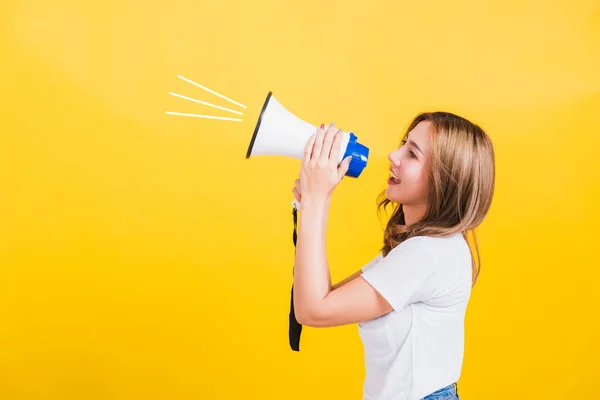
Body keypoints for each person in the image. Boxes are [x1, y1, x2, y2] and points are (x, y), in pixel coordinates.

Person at [291, 113, 495, 400]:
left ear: (444, 180)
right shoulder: (427, 248)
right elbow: (324, 296)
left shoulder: (427, 255)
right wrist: (314, 205)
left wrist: (316, 200)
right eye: (403, 144)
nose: (393, 155)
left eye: (412, 154)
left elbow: (313, 310)